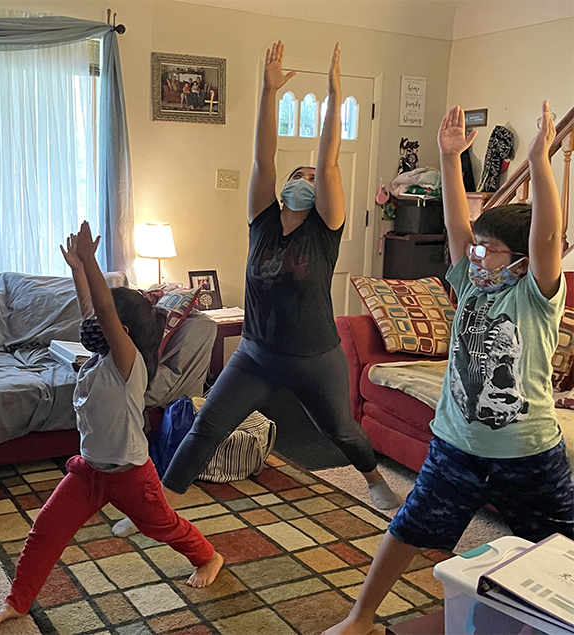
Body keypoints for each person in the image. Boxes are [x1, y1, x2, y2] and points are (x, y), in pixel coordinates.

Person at [112, 41, 398, 538]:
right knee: (206, 429)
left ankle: (375, 481)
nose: (307, 181)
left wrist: (334, 94)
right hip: (256, 354)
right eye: (300, 176)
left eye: (313, 179)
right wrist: (268, 92)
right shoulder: (262, 221)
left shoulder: (323, 232)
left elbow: (329, 164)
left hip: (315, 357)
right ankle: (155, 512)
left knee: (343, 431)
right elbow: (262, 158)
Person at [323, 102, 574, 635]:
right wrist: (447, 154)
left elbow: (548, 238)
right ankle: (360, 617)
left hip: (527, 455)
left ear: (521, 260)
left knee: (559, 549)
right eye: (476, 248)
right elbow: (456, 223)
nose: (474, 256)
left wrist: (541, 163)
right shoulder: (470, 284)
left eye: (489, 250)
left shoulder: (535, 296)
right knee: (410, 525)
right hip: (455, 444)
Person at [0, 221, 224, 629]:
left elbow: (105, 311)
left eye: (104, 319)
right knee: (45, 530)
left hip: (131, 475)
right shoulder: (100, 358)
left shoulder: (126, 365)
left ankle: (208, 555)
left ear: (123, 333)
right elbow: (92, 310)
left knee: (163, 526)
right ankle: (17, 601)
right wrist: (79, 269)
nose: (93, 320)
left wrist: (95, 264)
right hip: (90, 470)